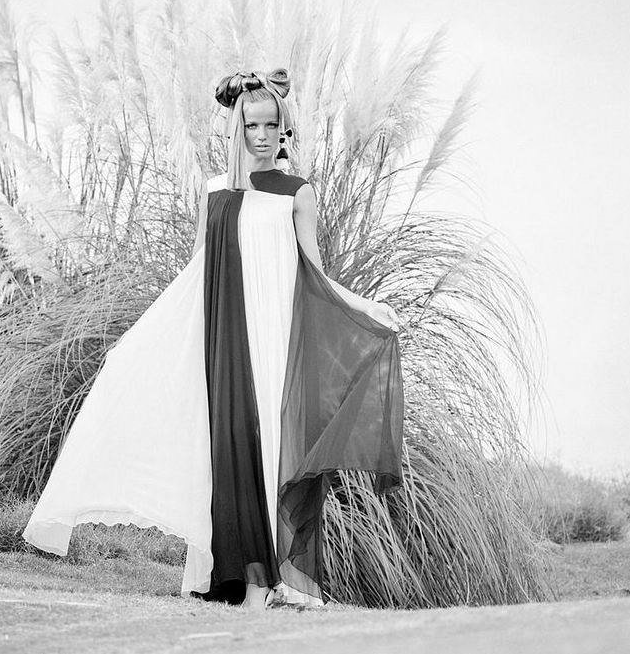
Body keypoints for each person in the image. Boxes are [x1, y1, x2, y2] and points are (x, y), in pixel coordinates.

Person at [22, 68, 405, 611]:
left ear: (284, 129)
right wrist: (146, 333)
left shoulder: (297, 193)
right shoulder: (215, 192)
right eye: (252, 125)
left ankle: (265, 583)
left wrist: (366, 308)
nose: (263, 135)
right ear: (236, 128)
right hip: (227, 337)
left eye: (272, 125)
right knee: (228, 449)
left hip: (279, 341)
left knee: (270, 451)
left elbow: (315, 274)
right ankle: (239, 577)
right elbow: (197, 269)